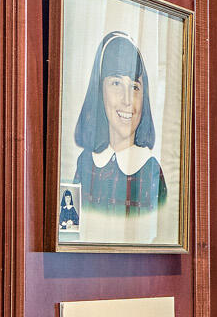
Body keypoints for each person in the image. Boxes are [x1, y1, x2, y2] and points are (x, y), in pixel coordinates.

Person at [72, 31, 167, 215]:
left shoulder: (150, 172)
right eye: (116, 84)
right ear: (100, 92)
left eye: (134, 87)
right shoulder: (85, 162)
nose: (127, 100)